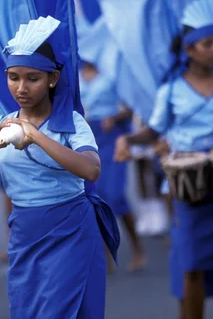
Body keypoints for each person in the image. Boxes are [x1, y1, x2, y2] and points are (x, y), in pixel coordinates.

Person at [0, 17, 119, 318]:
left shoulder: (71, 124)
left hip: (70, 230)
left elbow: (90, 170)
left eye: (33, 78)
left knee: (61, 311)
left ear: (52, 80)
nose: (21, 87)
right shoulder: (0, 126)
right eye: (14, 77)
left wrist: (37, 136)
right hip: (24, 234)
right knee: (27, 311)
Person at [114, 0, 213, 319]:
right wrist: (127, 139)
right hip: (188, 190)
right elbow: (154, 132)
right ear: (189, 49)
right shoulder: (170, 91)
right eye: (207, 44)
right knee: (192, 268)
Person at [80, 60, 145, 272]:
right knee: (96, 197)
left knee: (116, 195)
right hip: (88, 138)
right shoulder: (74, 72)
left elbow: (130, 107)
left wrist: (114, 117)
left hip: (112, 137)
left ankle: (137, 249)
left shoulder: (110, 70)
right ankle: (105, 256)